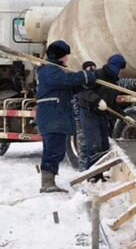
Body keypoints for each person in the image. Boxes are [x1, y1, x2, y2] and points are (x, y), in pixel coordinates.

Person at [36, 40, 96, 193]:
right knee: (53, 149)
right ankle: (47, 183)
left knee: (56, 149)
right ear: (60, 56)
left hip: (55, 116)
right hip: (53, 116)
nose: (68, 59)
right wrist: (85, 76)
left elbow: (69, 87)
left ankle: (49, 181)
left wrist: (86, 81)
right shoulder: (50, 70)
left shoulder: (55, 71)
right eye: (66, 55)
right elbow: (67, 81)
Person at [76, 55, 136, 173]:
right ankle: (92, 176)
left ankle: (101, 175)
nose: (122, 73)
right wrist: (96, 100)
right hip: (89, 113)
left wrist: (123, 116)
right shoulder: (96, 75)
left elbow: (112, 104)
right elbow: (81, 91)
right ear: (115, 68)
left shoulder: (113, 82)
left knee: (104, 145)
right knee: (94, 145)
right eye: (121, 70)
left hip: (101, 115)